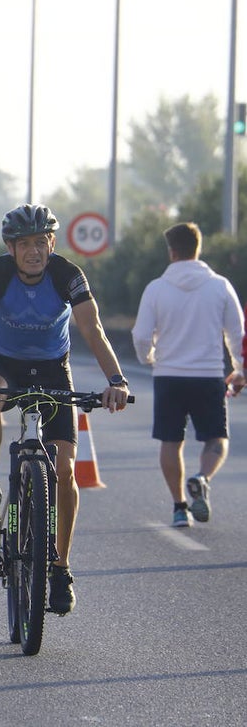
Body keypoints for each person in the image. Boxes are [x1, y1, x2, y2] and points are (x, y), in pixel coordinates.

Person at [0, 204, 131, 616]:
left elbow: (92, 328)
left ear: (52, 243)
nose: (33, 251)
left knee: (65, 469)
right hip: (4, 364)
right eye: (24, 243)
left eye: (40, 242)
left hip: (53, 368)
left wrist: (116, 380)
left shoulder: (67, 274)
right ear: (10, 248)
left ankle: (61, 568)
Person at [131, 222, 245, 527]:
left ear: (171, 252)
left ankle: (179, 508)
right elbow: (237, 333)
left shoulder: (156, 289)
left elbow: (141, 335)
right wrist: (240, 370)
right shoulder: (220, 286)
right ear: (199, 248)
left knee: (171, 441)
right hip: (208, 375)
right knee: (217, 438)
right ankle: (202, 477)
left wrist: (149, 358)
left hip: (168, 376)